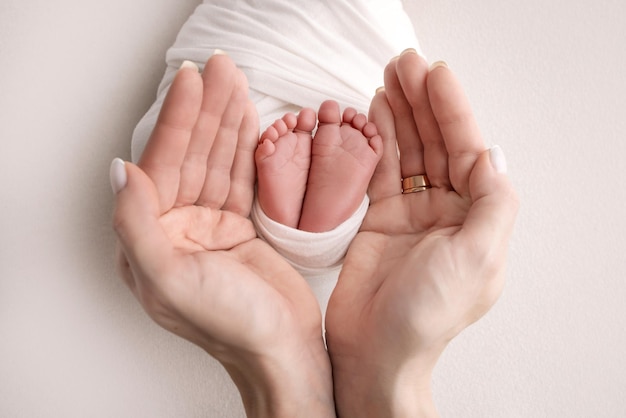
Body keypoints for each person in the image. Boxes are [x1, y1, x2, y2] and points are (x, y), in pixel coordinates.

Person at [111, 1, 519, 415]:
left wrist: (286, 374)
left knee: (192, 129)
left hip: (218, 176)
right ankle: (319, 232)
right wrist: (383, 378)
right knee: (384, 121)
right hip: (352, 121)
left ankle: (300, 227)